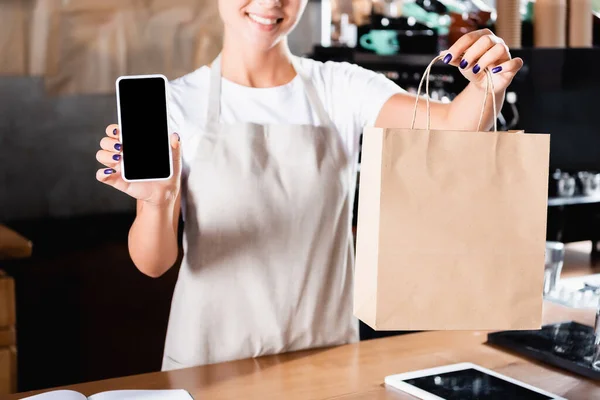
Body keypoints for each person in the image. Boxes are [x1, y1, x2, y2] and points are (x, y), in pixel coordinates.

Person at [95, 0, 523, 370]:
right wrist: (157, 201)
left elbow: (451, 126)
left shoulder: (340, 86)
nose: (270, 2)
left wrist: (491, 85)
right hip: (210, 358)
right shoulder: (176, 103)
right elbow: (153, 264)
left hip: (324, 354)